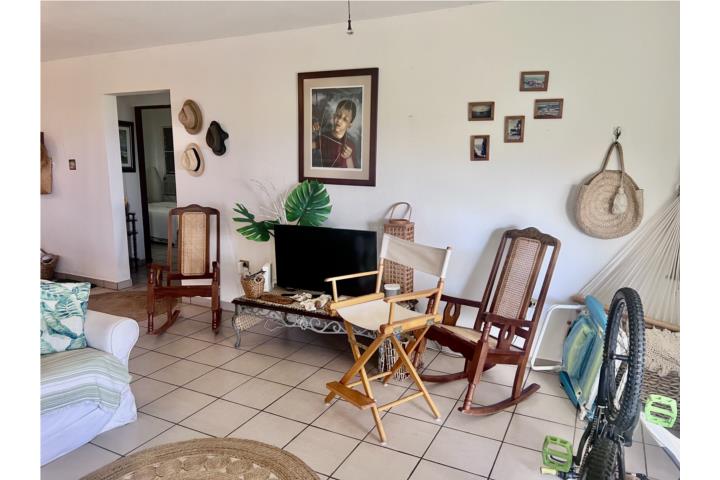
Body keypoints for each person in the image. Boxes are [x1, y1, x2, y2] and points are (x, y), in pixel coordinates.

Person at [312, 99, 358, 168]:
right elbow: (308, 146)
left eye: (345, 119)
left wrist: (348, 157)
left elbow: (353, 170)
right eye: (338, 115)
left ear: (349, 125)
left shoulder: (350, 145)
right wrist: (310, 131)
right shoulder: (323, 137)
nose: (339, 120)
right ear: (334, 116)